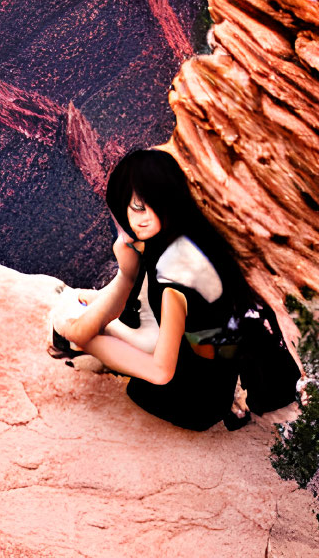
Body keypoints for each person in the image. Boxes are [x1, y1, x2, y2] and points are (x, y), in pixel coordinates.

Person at [47, 149, 253, 432]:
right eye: (135, 207)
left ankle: (76, 344)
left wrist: (84, 337)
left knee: (120, 368)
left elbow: (161, 371)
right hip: (219, 378)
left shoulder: (173, 278)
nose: (140, 218)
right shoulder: (196, 241)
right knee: (105, 312)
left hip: (194, 404)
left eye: (152, 205)